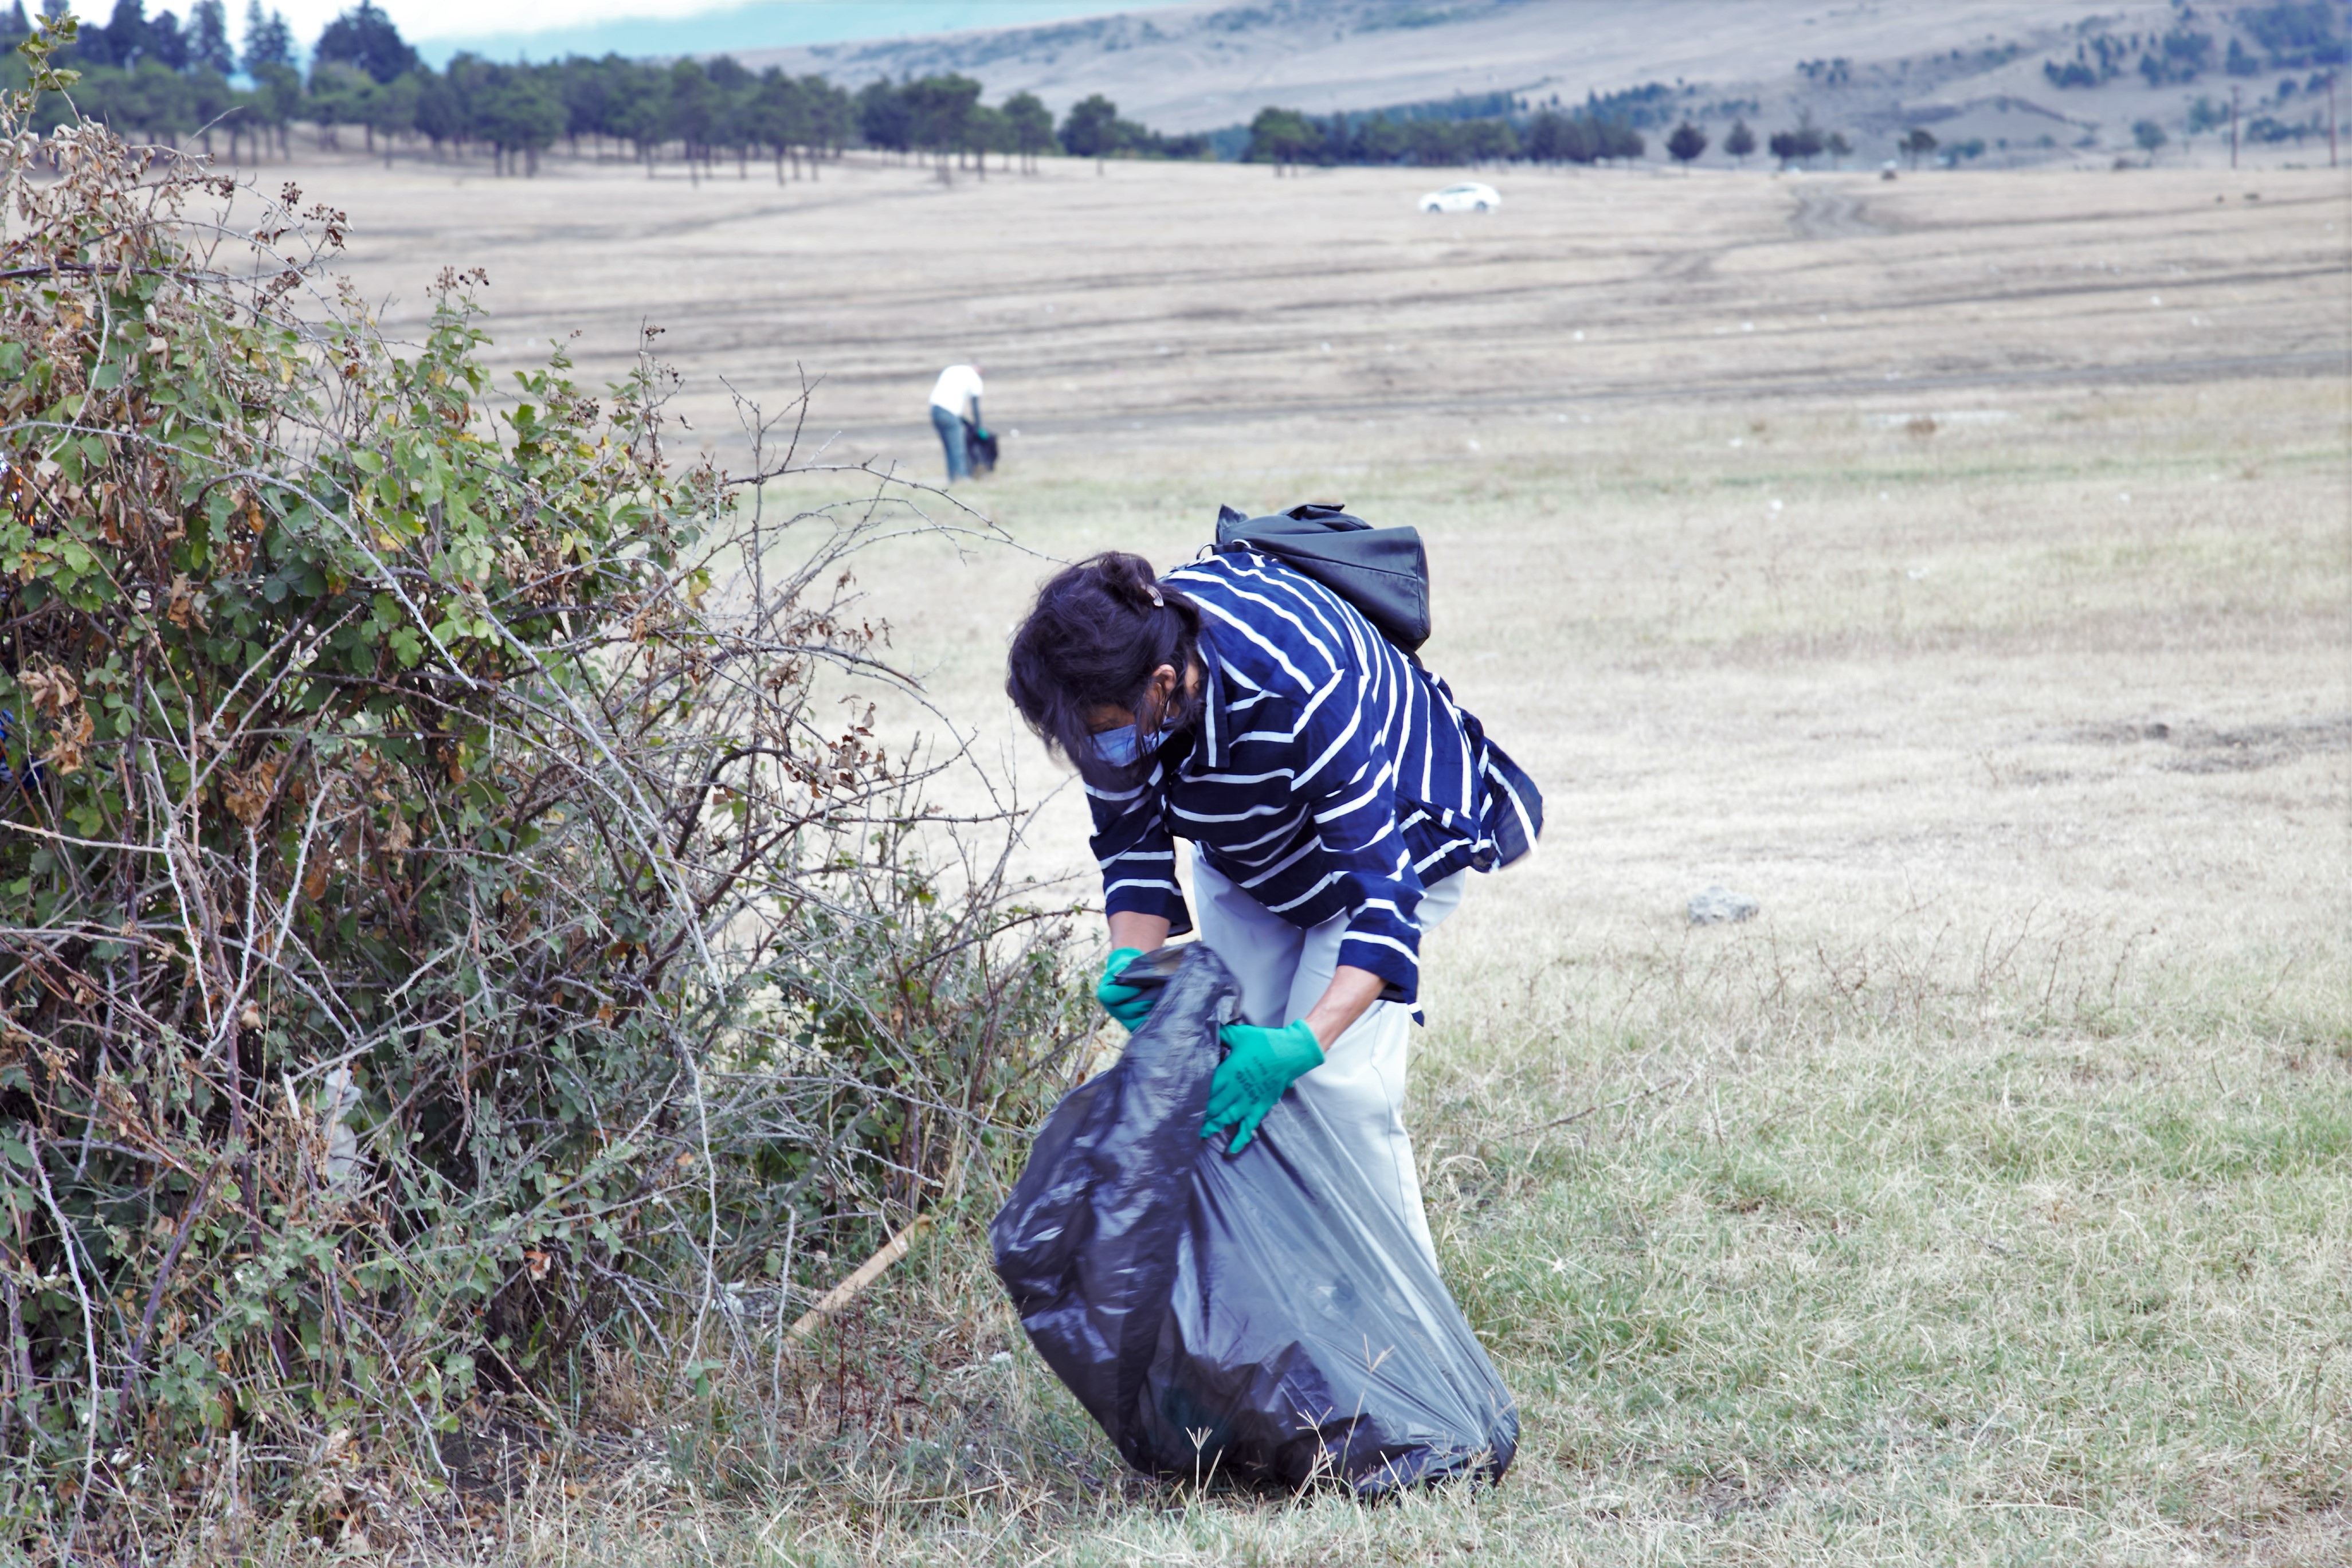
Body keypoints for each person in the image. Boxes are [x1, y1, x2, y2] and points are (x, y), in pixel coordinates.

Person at [1005, 546, 1541, 1261]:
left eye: (1105, 731)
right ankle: (1290, 1292)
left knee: (1336, 1090)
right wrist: (1130, 959)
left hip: (1387, 842)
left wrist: (1305, 1043)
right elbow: (1131, 845)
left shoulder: (1300, 684)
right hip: (1253, 848)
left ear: (1164, 685)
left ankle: (1402, 1313)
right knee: (1231, 1069)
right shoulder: (1111, 692)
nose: (1099, 749)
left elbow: (1383, 901)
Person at [927, 362, 984, 484]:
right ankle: (962, 478)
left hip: (935, 411)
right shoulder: (975, 378)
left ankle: (952, 477)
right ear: (979, 370)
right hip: (950, 413)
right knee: (958, 448)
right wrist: (979, 427)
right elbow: (975, 406)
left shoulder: (951, 370)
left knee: (949, 447)